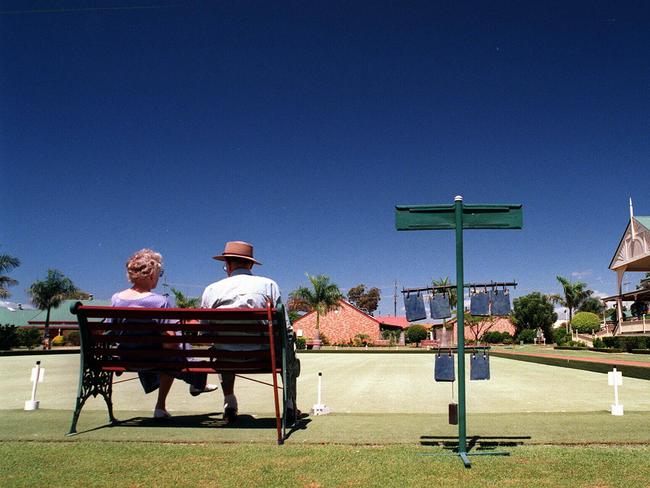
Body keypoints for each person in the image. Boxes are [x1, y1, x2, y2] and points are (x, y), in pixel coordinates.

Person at [112, 248, 217, 419]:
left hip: (128, 358)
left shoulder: (116, 299)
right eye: (159, 275)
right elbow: (171, 344)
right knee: (175, 345)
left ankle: (191, 385)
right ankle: (195, 382)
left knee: (170, 347)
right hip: (157, 359)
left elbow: (113, 331)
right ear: (152, 275)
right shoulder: (160, 302)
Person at [201, 241, 296, 423]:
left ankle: (230, 403)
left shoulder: (211, 290)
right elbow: (284, 327)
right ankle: (290, 404)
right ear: (251, 264)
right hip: (262, 357)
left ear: (227, 264)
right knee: (288, 347)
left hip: (225, 357)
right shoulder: (269, 285)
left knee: (221, 346)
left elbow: (205, 332)